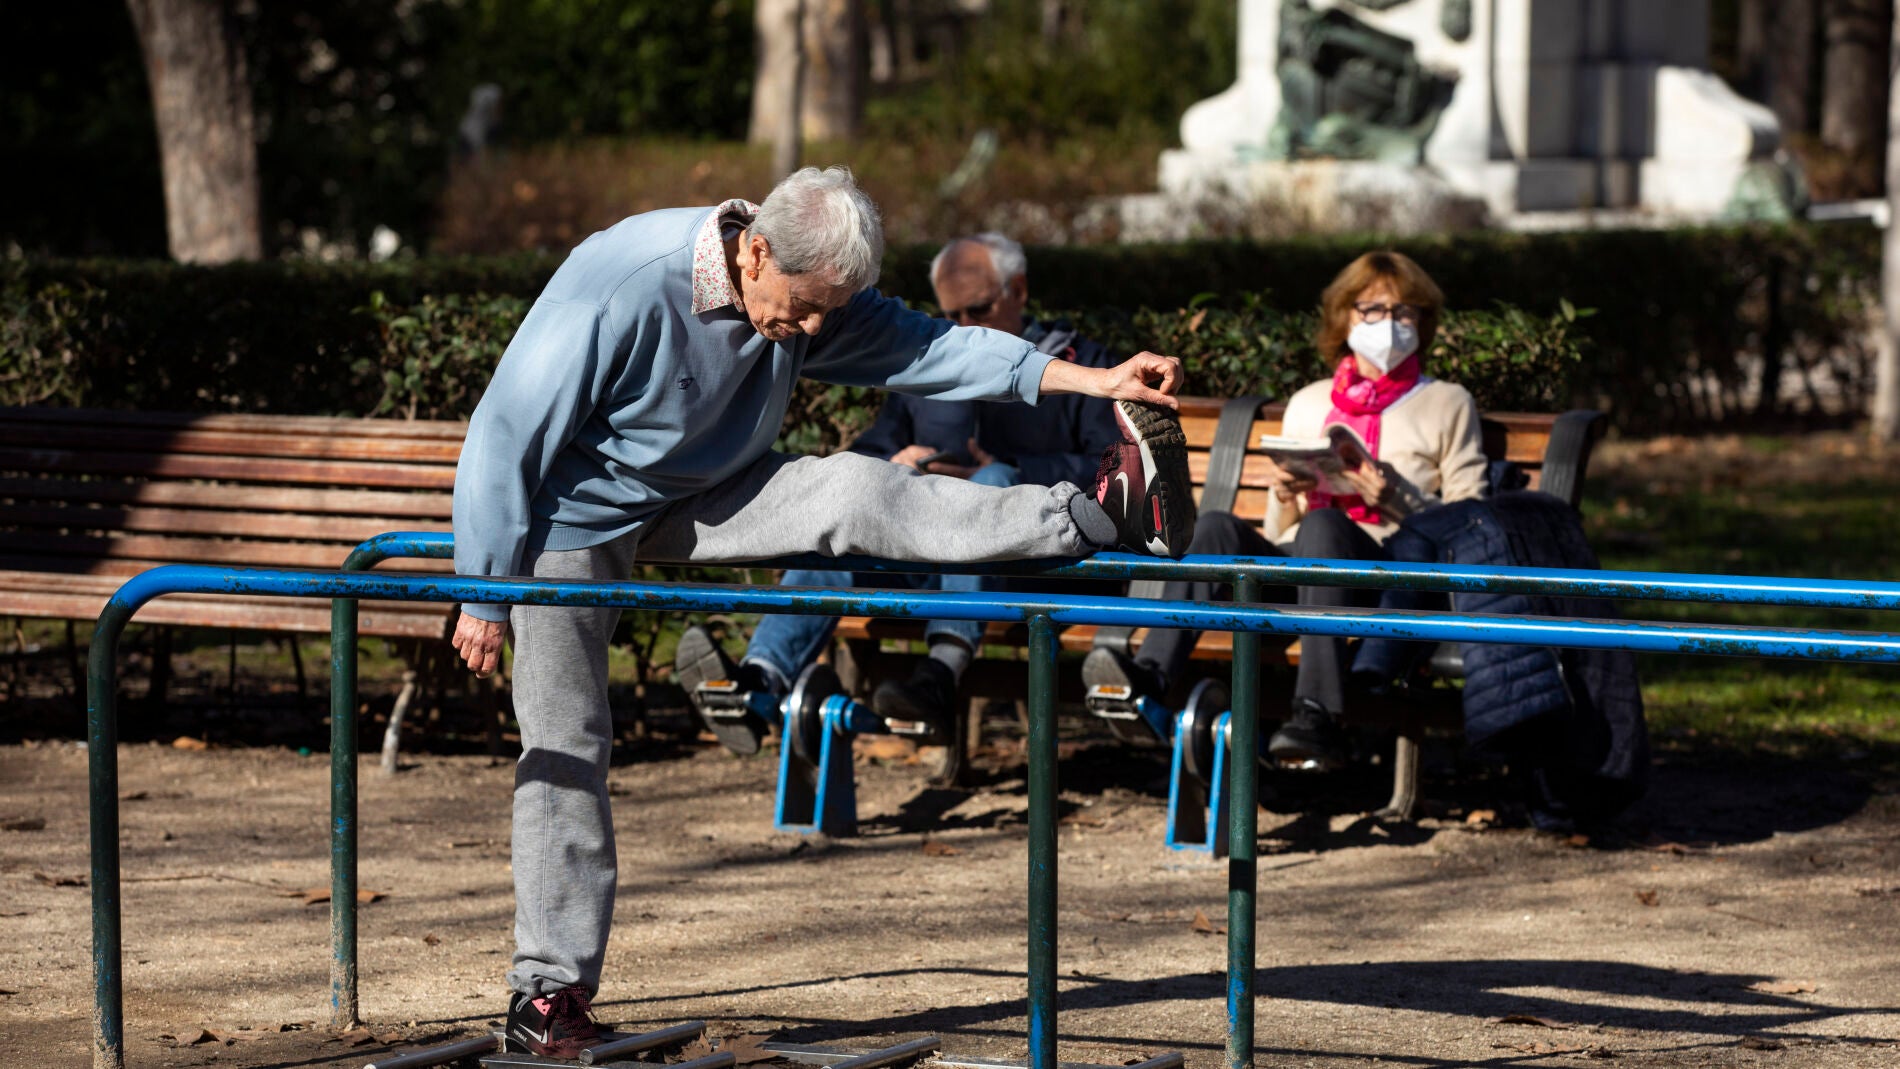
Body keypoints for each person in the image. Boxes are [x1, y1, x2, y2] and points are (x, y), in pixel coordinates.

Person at [448, 167, 1195, 1058]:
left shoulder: (808, 286)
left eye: (827, 315)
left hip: (706, 490)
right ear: (756, 251)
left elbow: (935, 348)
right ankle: (546, 996)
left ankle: (1093, 515)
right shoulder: (623, 278)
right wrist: (485, 586)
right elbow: (504, 430)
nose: (809, 332)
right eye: (803, 308)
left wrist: (1091, 379)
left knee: (853, 488)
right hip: (570, 515)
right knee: (568, 736)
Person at [677, 232, 1122, 753]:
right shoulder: (935, 366)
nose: (965, 325)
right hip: (924, 553)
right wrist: (896, 463)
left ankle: (938, 676)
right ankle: (758, 685)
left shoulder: (1078, 365)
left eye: (978, 309)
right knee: (836, 519)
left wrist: (1014, 469)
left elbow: (1109, 467)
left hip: (1028, 563)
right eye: (951, 314)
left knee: (993, 485)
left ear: (1018, 290)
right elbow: (871, 452)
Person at [1081, 250, 1486, 771]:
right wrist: (1286, 493)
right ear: (1345, 317)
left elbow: (1470, 520)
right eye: (1372, 310)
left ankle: (1315, 716)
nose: (1388, 324)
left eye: (1403, 311)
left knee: (1325, 525)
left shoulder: (1448, 402)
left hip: (1383, 575)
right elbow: (1280, 531)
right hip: (1300, 569)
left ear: (1421, 322)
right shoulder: (1310, 402)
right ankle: (1148, 681)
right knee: (1218, 527)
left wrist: (1391, 495)